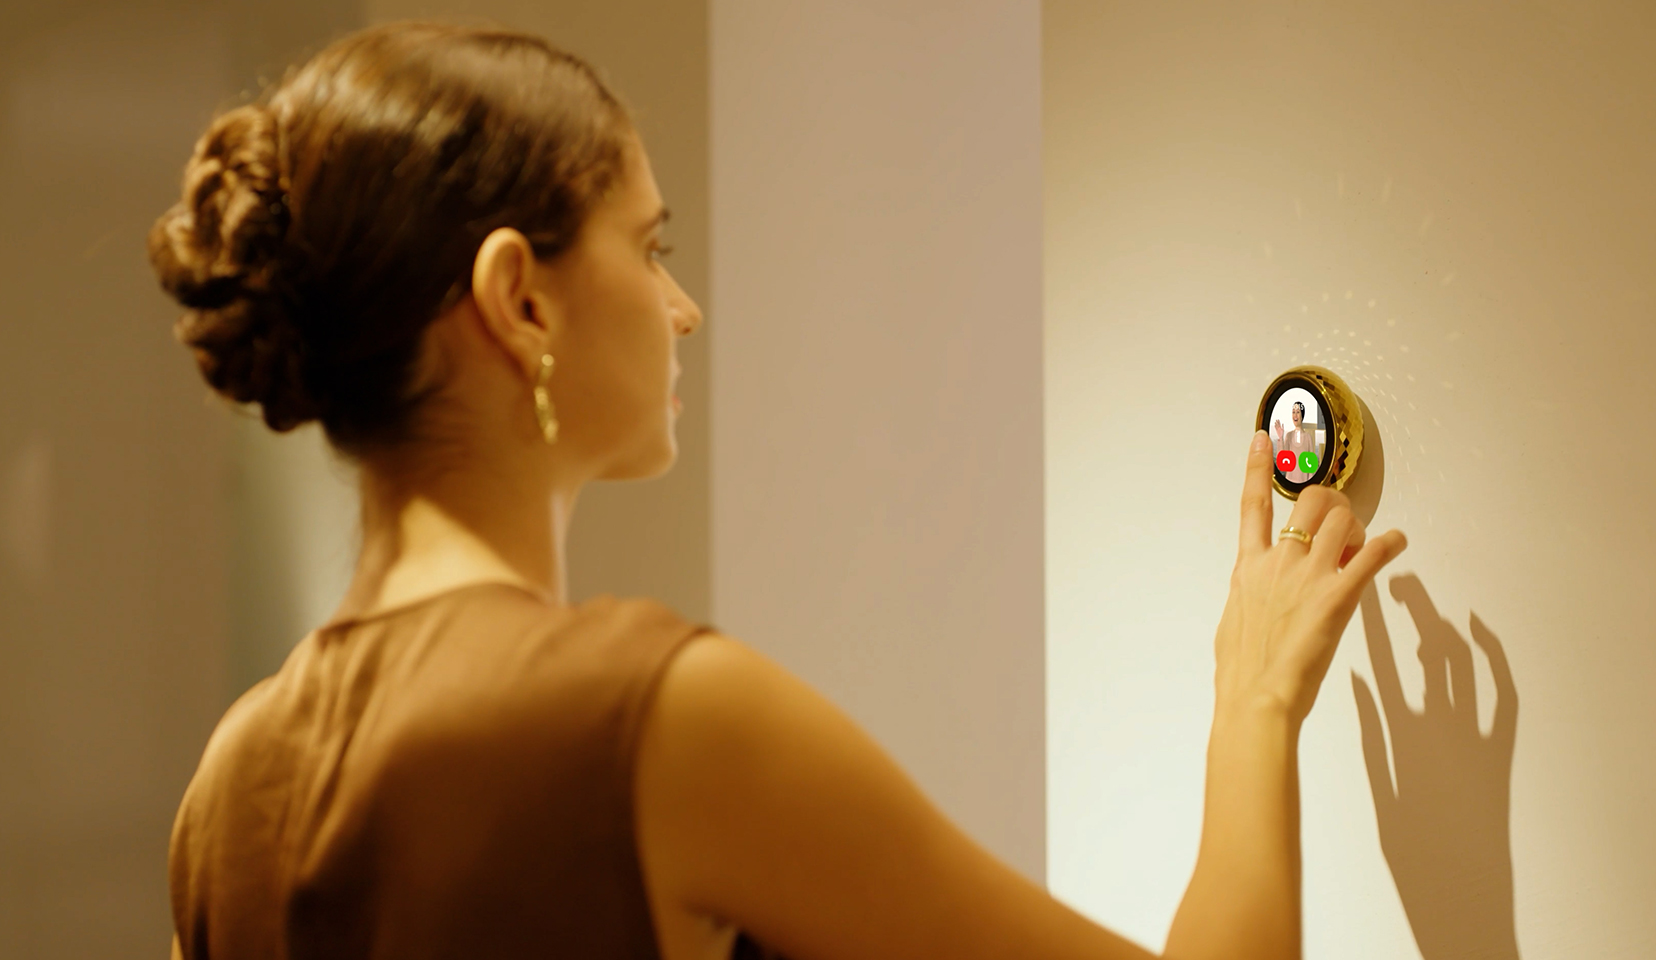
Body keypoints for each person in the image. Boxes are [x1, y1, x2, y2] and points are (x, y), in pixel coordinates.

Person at [148, 21, 1407, 960]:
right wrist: (1255, 701)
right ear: (519, 299)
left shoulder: (229, 786)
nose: (683, 306)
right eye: (648, 247)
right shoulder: (655, 719)